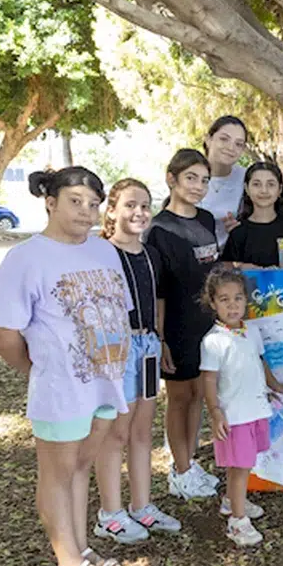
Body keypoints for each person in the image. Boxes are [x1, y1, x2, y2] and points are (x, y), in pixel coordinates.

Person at [0, 166, 131, 566]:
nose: (86, 211)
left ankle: (80, 547)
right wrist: (37, 369)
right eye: (75, 201)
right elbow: (2, 332)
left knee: (82, 465)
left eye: (93, 203)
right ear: (50, 203)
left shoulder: (105, 251)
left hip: (104, 383)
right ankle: (68, 563)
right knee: (58, 471)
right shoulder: (26, 258)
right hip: (60, 389)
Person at [92, 178, 181, 545]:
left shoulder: (151, 255)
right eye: (129, 205)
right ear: (112, 210)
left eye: (145, 205)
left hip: (148, 346)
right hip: (117, 349)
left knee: (142, 431)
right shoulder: (101, 253)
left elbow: (158, 300)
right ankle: (110, 514)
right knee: (116, 433)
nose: (139, 212)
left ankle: (142, 505)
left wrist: (160, 339)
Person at [145, 149, 223, 502]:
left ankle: (189, 464)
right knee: (179, 398)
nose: (198, 186)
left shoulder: (207, 219)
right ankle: (178, 470)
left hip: (207, 324)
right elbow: (158, 291)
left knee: (199, 396)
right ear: (171, 178)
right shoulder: (158, 229)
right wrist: (160, 338)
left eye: (204, 180)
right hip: (176, 325)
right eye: (191, 178)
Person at [200, 267, 283, 547]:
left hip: (256, 410)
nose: (232, 305)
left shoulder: (251, 331)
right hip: (234, 415)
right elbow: (208, 379)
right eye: (224, 299)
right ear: (213, 303)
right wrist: (215, 411)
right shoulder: (213, 341)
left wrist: (276, 386)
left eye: (238, 298)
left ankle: (232, 501)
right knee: (240, 467)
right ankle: (237, 523)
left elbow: (260, 362)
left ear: (246, 300)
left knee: (244, 463)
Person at [221, 162, 283, 268]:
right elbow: (227, 267)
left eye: (270, 184)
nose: (264, 190)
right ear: (246, 188)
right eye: (256, 184)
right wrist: (240, 266)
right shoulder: (238, 232)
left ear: (280, 189)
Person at [197, 115, 249, 250]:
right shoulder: (189, 173)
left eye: (238, 144)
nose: (231, 147)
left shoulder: (247, 178)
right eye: (224, 139)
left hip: (231, 256)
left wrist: (240, 228)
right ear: (208, 139)